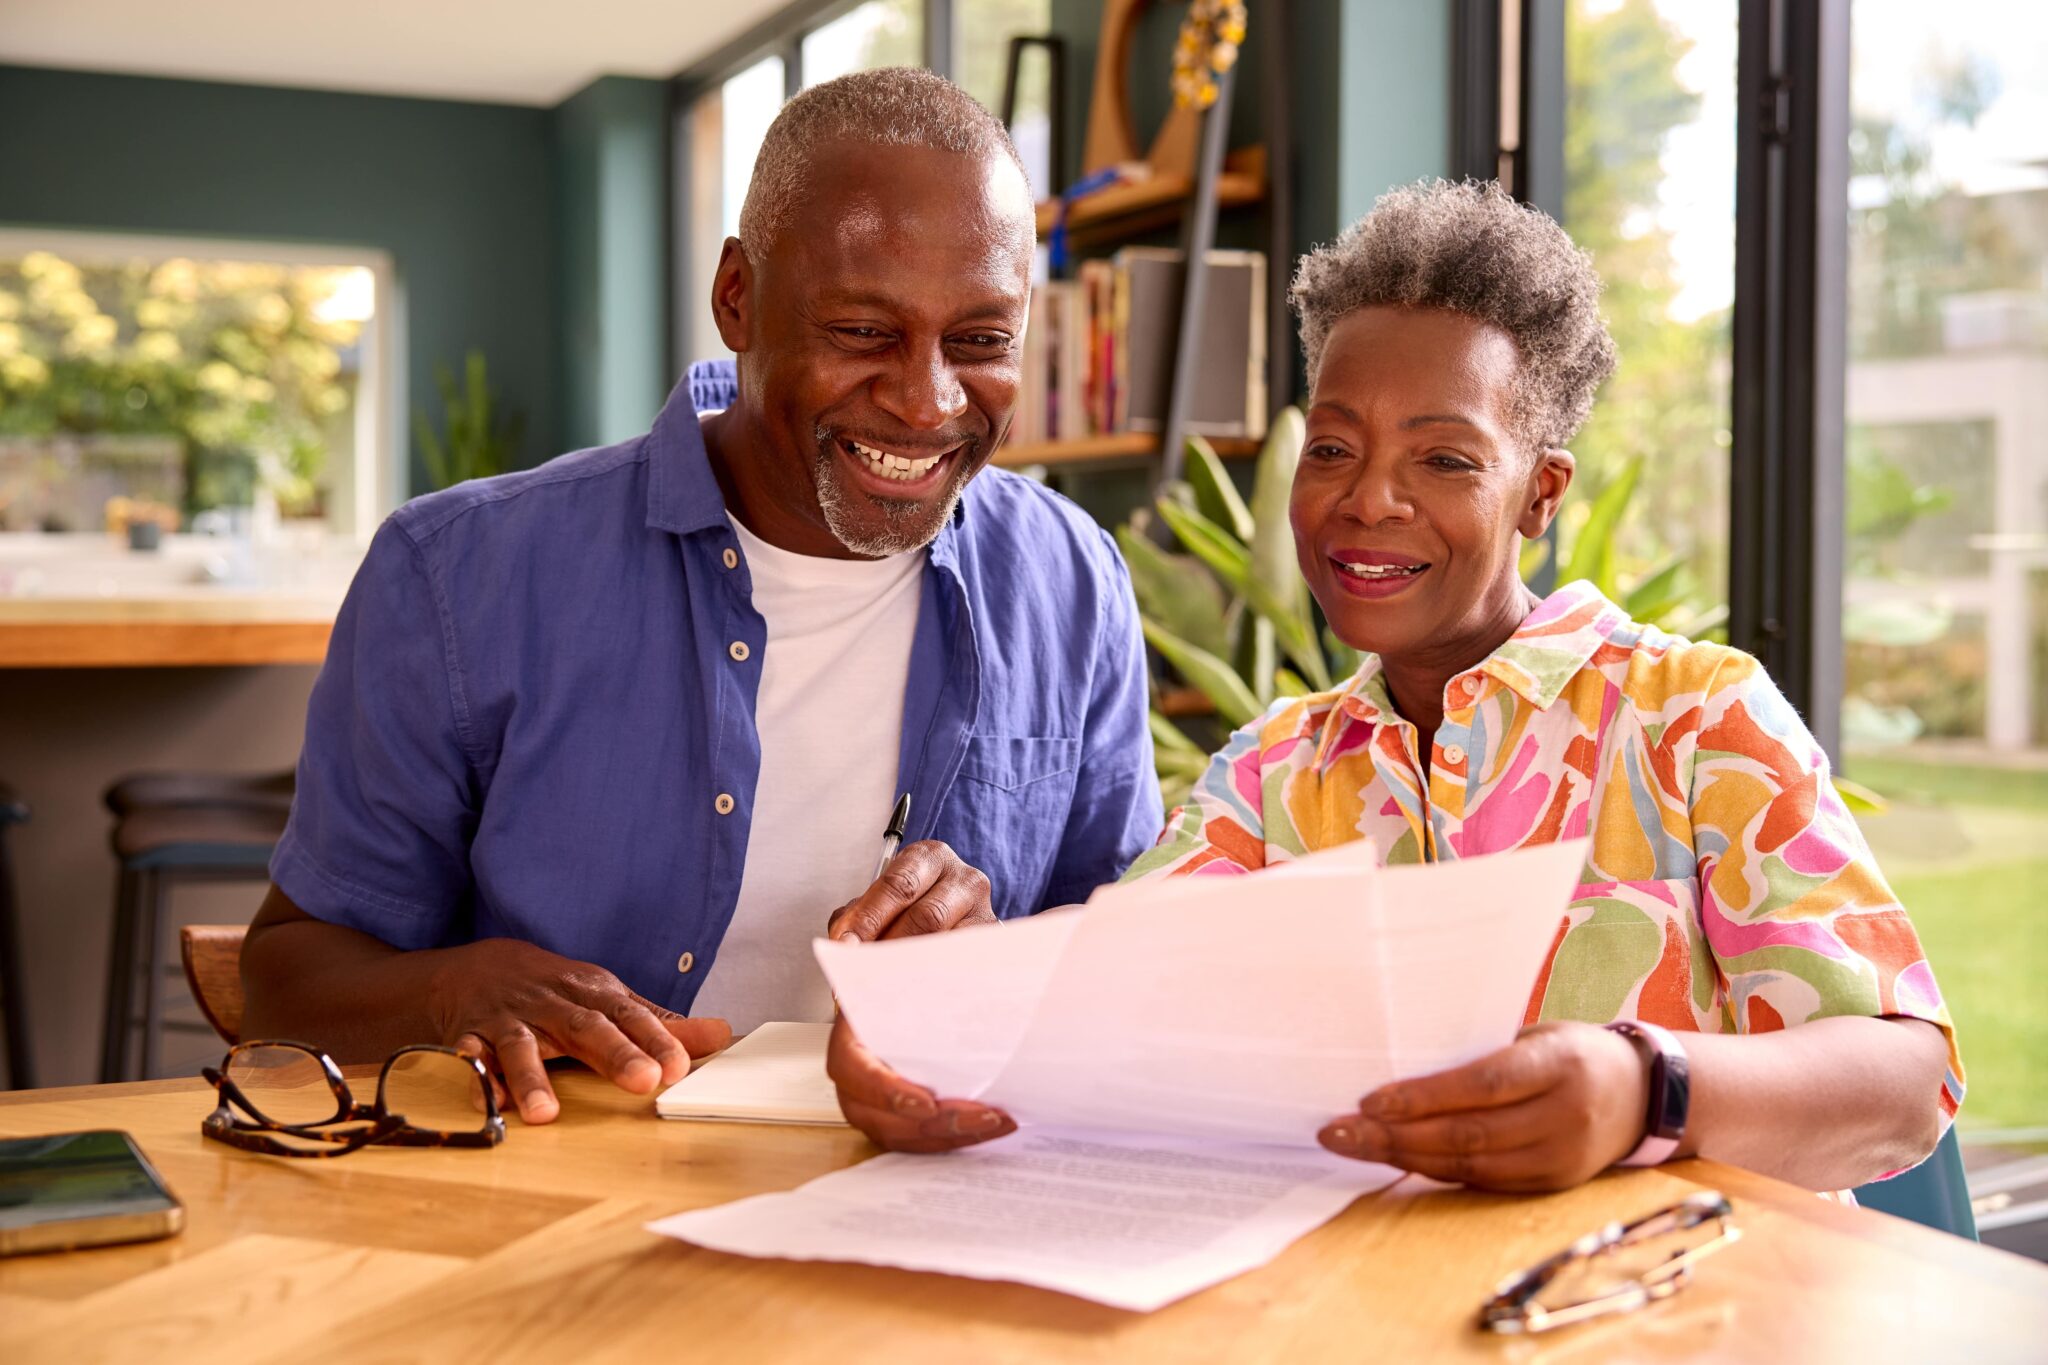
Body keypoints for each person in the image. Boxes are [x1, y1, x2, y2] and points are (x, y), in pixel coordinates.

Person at [838, 179, 1961, 1195]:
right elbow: (1110, 1021)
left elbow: (1905, 1081)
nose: (1367, 500)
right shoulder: (1275, 774)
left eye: (1444, 459)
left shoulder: (1694, 719)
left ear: (1539, 493)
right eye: (1331, 449)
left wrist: (1645, 1091)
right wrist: (952, 1026)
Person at [241, 69, 1160, 1126]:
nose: (926, 400)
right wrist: (454, 986)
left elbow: (1119, 965)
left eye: (980, 341)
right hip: (553, 1211)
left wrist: (994, 974)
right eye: (863, 332)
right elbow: (283, 977)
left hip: (926, 1190)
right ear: (736, 298)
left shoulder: (1070, 578)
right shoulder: (458, 573)